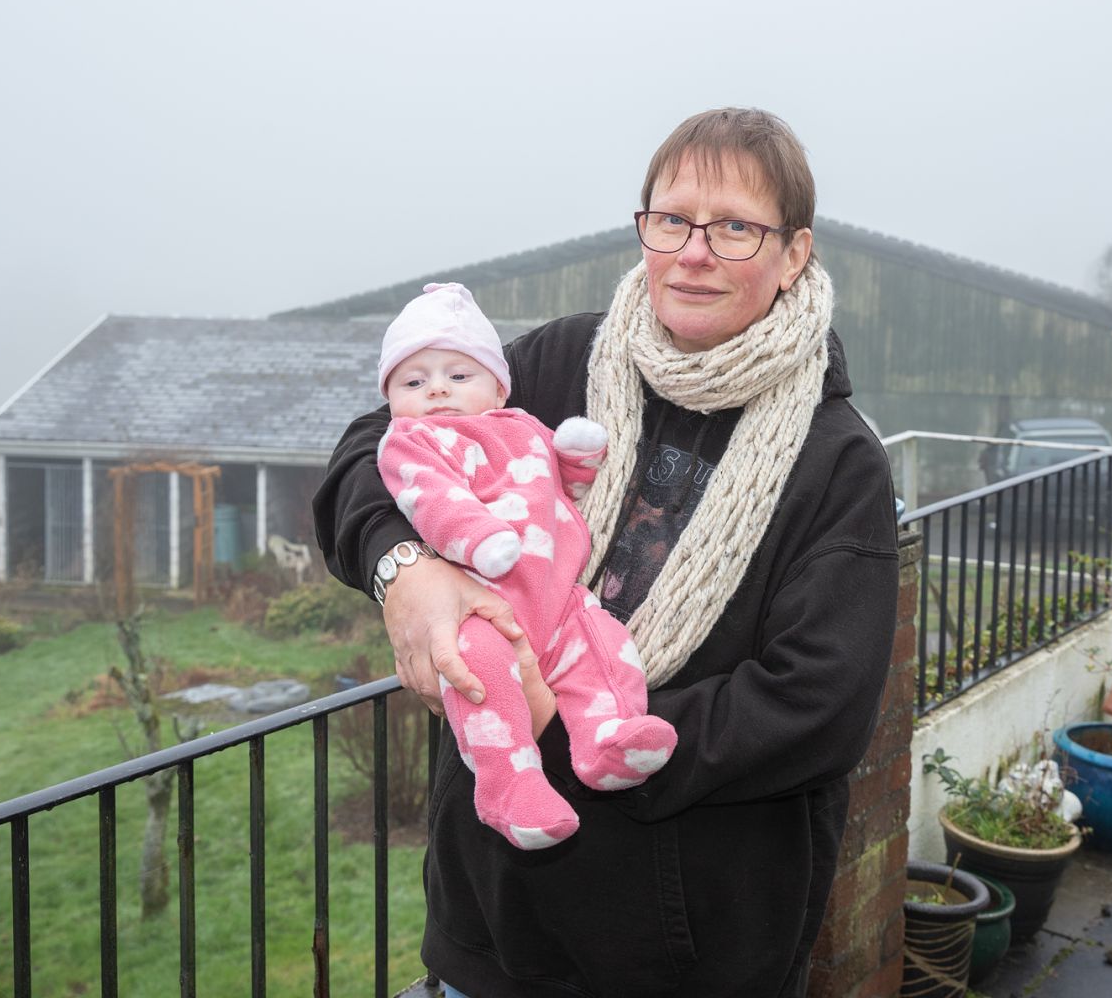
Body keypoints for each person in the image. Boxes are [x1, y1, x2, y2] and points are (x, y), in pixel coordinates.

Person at [314, 107, 901, 998]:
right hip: (491, 928)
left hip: (685, 959)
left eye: (735, 228)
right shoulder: (564, 361)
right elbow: (376, 444)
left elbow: (816, 708)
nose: (693, 253)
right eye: (672, 220)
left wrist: (564, 725)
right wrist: (405, 571)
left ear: (794, 254)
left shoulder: (837, 461)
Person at [374, 282, 677, 851]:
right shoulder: (412, 441)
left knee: (604, 647)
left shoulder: (521, 425)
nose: (436, 389)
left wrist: (577, 461)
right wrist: (476, 536)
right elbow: (431, 497)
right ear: (390, 398)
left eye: (458, 375)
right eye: (413, 382)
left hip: (559, 598)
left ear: (497, 387)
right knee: (480, 676)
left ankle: (607, 737)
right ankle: (509, 787)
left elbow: (556, 486)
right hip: (482, 603)